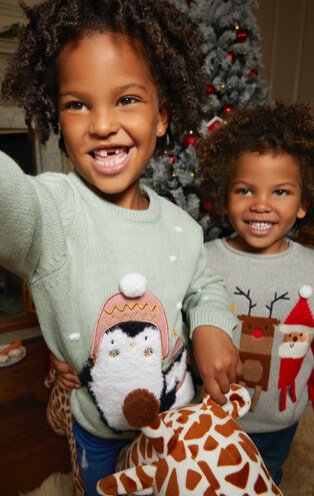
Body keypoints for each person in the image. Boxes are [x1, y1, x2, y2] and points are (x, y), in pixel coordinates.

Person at [0, 1, 241, 494]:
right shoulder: (52, 211)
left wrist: (212, 325)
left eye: (127, 99)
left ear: (161, 117)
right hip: (98, 433)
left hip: (176, 422)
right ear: (57, 115)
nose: (103, 123)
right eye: (78, 103)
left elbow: (204, 285)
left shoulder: (181, 226)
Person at [197, 100, 314, 486]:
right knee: (208, 482)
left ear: (302, 204)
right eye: (245, 190)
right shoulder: (204, 259)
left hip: (280, 422)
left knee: (265, 480)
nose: (261, 204)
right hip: (214, 417)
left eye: (280, 192)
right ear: (225, 196)